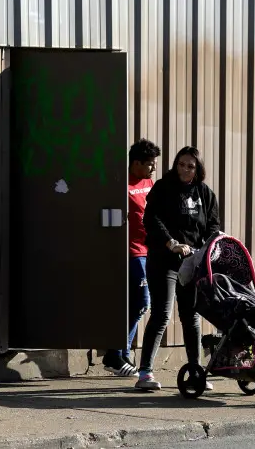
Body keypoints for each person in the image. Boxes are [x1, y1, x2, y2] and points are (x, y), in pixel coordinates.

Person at [134, 146, 222, 392]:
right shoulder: (163, 188)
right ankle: (145, 373)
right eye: (181, 164)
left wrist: (206, 248)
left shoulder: (205, 193)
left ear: (198, 169)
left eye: (191, 166)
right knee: (162, 314)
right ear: (175, 165)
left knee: (190, 316)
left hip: (192, 263)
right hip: (164, 261)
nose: (185, 169)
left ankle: (195, 371)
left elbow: (213, 225)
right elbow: (151, 219)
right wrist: (171, 243)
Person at [102, 138, 161, 377]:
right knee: (141, 302)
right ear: (135, 163)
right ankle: (114, 355)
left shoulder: (148, 181)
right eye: (149, 164)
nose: (153, 168)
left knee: (135, 303)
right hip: (132, 251)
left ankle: (123, 352)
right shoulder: (121, 184)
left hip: (151, 250)